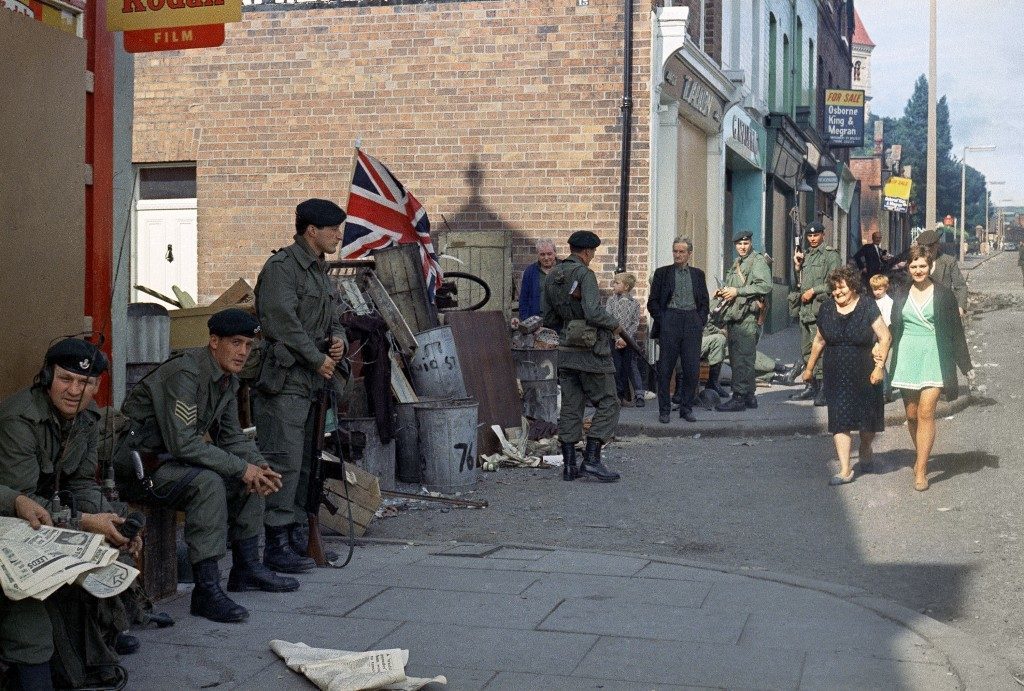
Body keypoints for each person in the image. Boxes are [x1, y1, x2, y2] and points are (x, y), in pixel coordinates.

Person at [116, 309, 295, 624]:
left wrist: (258, 466)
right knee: (210, 482)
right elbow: (183, 443)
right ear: (214, 341)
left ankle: (246, 568)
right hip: (141, 469)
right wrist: (242, 468)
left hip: (172, 464)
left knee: (248, 477)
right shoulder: (186, 374)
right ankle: (206, 592)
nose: (242, 352)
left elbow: (232, 437)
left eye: (248, 345)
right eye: (235, 343)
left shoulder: (226, 379)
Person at [0, 339, 132, 689]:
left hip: (44, 512)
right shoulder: (20, 417)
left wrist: (111, 518)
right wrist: (85, 523)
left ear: (97, 386)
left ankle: (97, 642)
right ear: (47, 377)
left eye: (86, 383)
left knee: (115, 540)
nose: (75, 390)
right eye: (65, 379)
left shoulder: (88, 420)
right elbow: (25, 502)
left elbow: (82, 484)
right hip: (15, 517)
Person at [253, 198, 349, 574]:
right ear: (311, 230)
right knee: (284, 461)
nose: (338, 235)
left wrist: (337, 340)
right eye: (332, 229)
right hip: (286, 381)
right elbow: (282, 323)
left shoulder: (319, 272)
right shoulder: (283, 268)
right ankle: (276, 542)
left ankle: (296, 537)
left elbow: (333, 317)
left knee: (309, 463)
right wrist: (317, 358)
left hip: (314, 383)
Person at [889, 245, 973, 491]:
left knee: (926, 411)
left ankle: (922, 469)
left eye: (922, 265)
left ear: (930, 266)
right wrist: (880, 350)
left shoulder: (944, 294)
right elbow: (893, 326)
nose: (918, 270)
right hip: (907, 356)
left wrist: (965, 365)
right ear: (908, 267)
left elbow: (956, 332)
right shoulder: (901, 293)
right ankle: (921, 455)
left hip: (935, 355)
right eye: (913, 266)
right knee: (912, 414)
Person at [541, 231, 622, 482]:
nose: (592, 257)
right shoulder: (585, 274)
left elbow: (549, 318)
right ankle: (592, 460)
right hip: (590, 353)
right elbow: (594, 312)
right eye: (593, 253)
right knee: (609, 402)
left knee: (571, 406)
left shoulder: (553, 274)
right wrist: (614, 325)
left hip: (565, 351)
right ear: (586, 252)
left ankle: (568, 466)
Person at [802, 267, 891, 485]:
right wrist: (809, 368)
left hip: (865, 369)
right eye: (833, 289)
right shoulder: (826, 308)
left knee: (867, 420)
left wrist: (879, 367)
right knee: (840, 419)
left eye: (841, 287)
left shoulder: (867, 305)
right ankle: (845, 469)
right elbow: (819, 340)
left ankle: (865, 446)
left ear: (852, 286)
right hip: (836, 370)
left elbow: (885, 337)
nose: (837, 292)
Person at [647, 237, 709, 423]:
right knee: (666, 368)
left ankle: (686, 408)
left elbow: (704, 302)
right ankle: (664, 410)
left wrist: (700, 320)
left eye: (682, 252)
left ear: (689, 253)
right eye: (675, 251)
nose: (678, 255)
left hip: (691, 320)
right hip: (670, 320)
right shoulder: (662, 273)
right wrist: (664, 319)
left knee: (692, 369)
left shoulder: (698, 274)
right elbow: (653, 302)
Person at [714, 230, 772, 412]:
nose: (742, 247)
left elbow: (765, 285)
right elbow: (735, 287)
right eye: (739, 244)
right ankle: (749, 396)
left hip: (746, 317)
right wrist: (724, 291)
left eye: (745, 243)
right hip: (736, 315)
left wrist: (737, 292)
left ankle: (738, 398)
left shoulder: (757, 260)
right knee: (743, 358)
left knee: (741, 359)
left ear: (751, 243)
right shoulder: (738, 263)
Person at [790, 222, 842, 406]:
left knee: (819, 350)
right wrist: (797, 267)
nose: (812, 239)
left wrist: (814, 290)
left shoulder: (830, 255)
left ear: (823, 235)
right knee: (806, 349)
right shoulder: (807, 255)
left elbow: (835, 282)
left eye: (816, 235)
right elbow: (800, 283)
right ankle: (811, 386)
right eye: (810, 236)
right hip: (805, 311)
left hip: (820, 309)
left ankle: (824, 389)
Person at [605, 272, 645, 407]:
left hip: (627, 342)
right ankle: (616, 396)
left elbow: (634, 323)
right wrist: (617, 338)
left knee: (626, 368)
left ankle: (625, 396)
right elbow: (608, 319)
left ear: (626, 286)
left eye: (617, 283)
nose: (614, 285)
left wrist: (625, 339)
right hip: (613, 340)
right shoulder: (611, 301)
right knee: (616, 368)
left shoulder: (634, 303)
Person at [914, 229, 968, 317]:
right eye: (922, 246)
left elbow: (961, 286)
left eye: (930, 246)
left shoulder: (949, 262)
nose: (926, 249)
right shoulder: (914, 262)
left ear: (937, 245)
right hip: (919, 309)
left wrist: (960, 307)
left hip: (943, 310)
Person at [870, 273, 896, 402]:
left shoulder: (888, 302)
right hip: (876, 334)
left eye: (880, 289)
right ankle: (884, 390)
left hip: (884, 334)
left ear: (886, 287)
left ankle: (886, 392)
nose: (877, 292)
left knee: (881, 361)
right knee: (878, 361)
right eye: (875, 289)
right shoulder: (875, 301)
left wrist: (878, 341)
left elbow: (886, 322)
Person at [518, 239, 558, 321]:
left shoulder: (563, 268)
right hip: (536, 323)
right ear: (538, 255)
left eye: (549, 254)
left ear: (555, 253)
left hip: (560, 324)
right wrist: (526, 320)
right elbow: (523, 299)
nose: (546, 258)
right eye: (542, 254)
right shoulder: (530, 271)